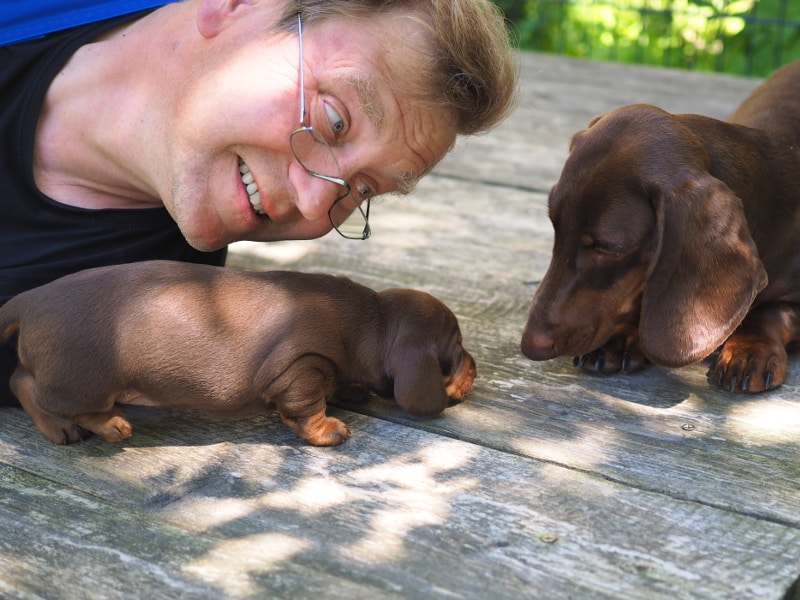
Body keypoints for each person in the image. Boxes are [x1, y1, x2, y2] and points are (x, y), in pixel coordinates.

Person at [0, 0, 518, 407]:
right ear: (237, 3)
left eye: (362, 190)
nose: (317, 202)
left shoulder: (110, 322)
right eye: (334, 120)